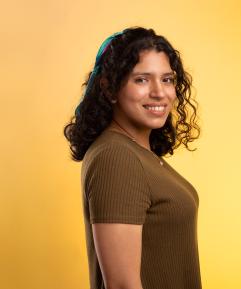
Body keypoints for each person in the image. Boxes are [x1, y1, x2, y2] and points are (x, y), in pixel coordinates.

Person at [63, 26, 202, 289]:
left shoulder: (138, 152)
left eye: (167, 79)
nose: (159, 92)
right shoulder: (116, 157)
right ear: (110, 88)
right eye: (141, 79)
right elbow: (122, 285)